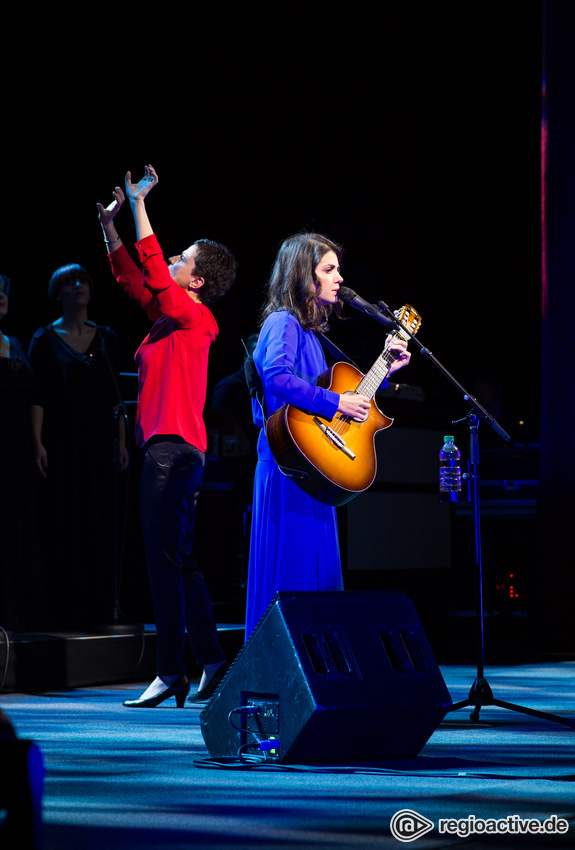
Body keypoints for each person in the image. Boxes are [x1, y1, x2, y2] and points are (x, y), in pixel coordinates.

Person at [97, 164, 237, 707]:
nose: (172, 261)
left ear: (197, 281)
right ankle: (211, 660)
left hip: (171, 451)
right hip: (176, 451)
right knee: (181, 560)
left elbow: (152, 270)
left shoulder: (195, 318)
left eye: (183, 260)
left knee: (163, 561)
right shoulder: (168, 319)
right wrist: (110, 226)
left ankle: (170, 670)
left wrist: (139, 205)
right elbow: (134, 278)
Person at [245, 233, 411, 637]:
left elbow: (338, 395)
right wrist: (336, 404)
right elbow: (278, 377)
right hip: (289, 467)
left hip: (314, 464)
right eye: (328, 269)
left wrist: (383, 372)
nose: (339, 278)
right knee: (291, 573)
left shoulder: (314, 336)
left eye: (337, 268)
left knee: (316, 580)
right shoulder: (281, 321)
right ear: (304, 275)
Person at [27, 265, 128, 630]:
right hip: (61, 440)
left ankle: (99, 608)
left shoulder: (106, 338)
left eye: (83, 280)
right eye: (69, 283)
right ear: (57, 293)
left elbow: (116, 396)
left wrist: (121, 440)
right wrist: (37, 442)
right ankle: (64, 607)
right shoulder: (43, 339)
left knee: (98, 516)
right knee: (64, 516)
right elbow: (37, 397)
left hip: (99, 439)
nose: (77, 286)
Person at [0, 274, 46, 631]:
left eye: (3, 292)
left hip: (15, 447)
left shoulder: (13, 343)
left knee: (15, 523)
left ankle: (17, 613)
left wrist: (36, 442)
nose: (0, 297)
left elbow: (33, 397)